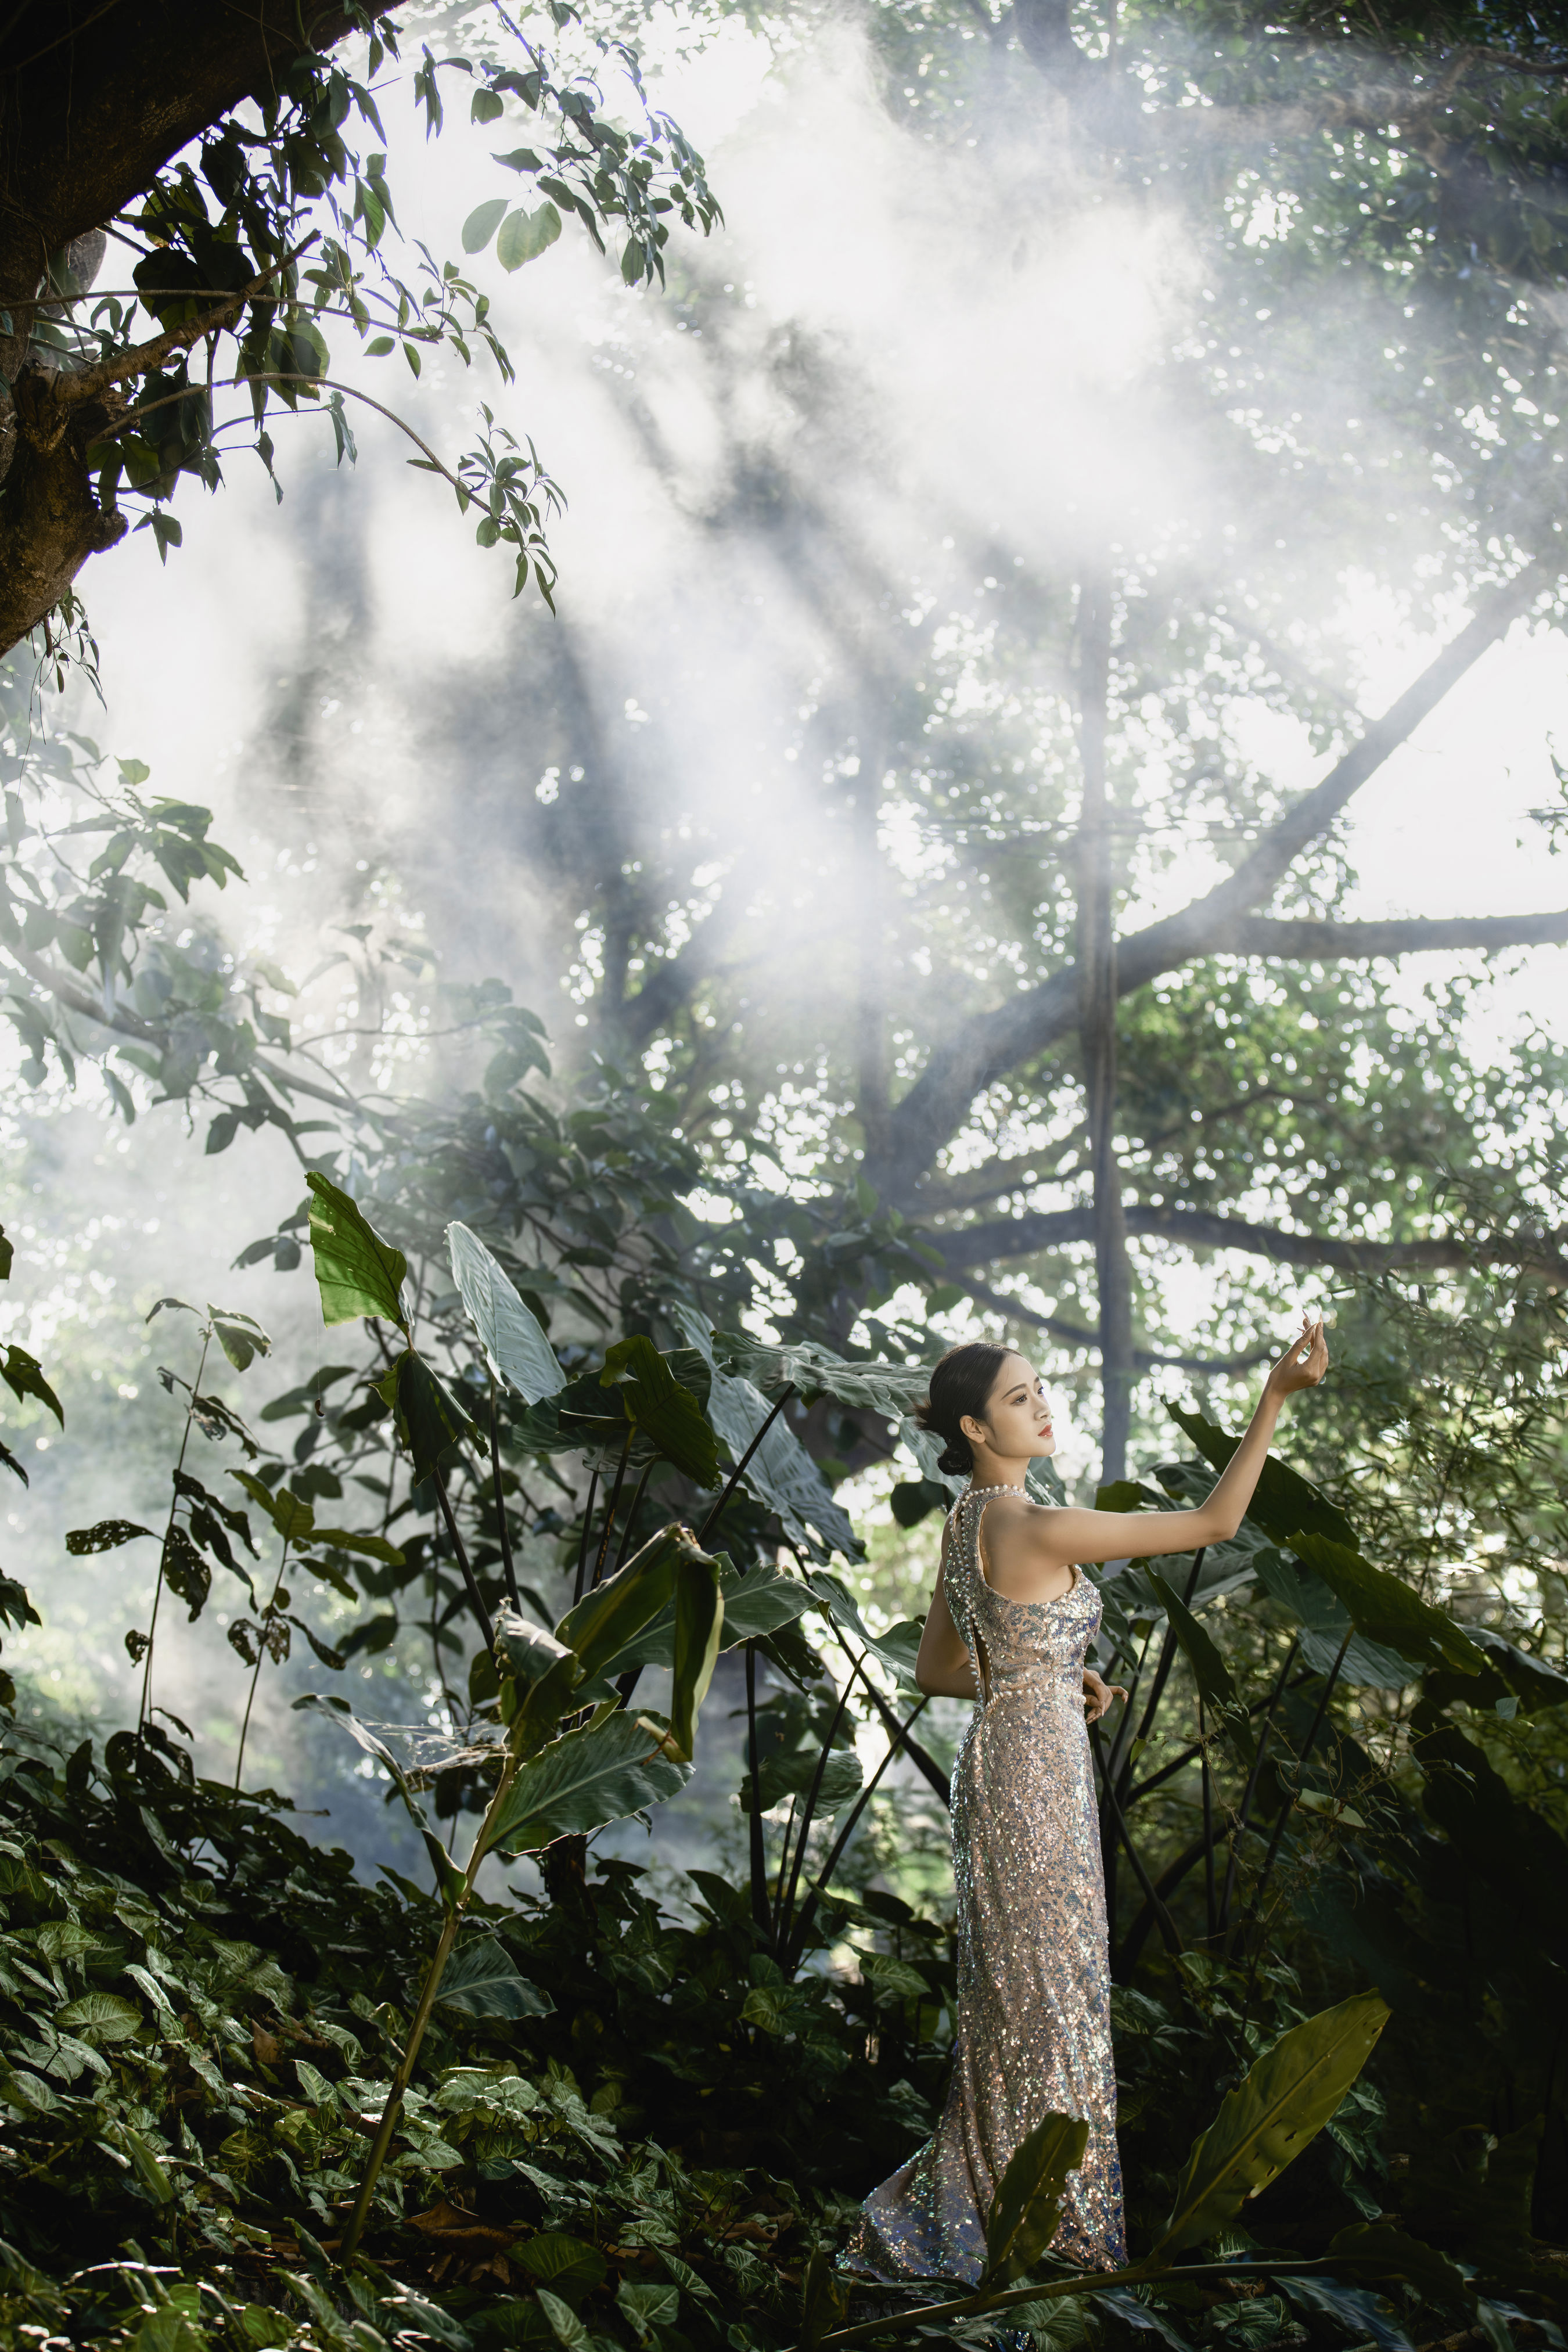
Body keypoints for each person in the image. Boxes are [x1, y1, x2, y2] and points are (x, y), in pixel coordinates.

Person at [843, 1317, 1330, 2288]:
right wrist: (1274, 1398)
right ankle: (1043, 2239)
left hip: (1008, 1758)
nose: (1042, 1404)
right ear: (977, 1429)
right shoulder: (1033, 1521)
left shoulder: (965, 1522)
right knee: (1051, 2001)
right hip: (1036, 1780)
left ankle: (1009, 2217)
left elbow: (942, 1670)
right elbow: (1214, 1524)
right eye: (1020, 1397)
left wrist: (1046, 1677)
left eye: (1039, 1389)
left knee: (1019, 2000)